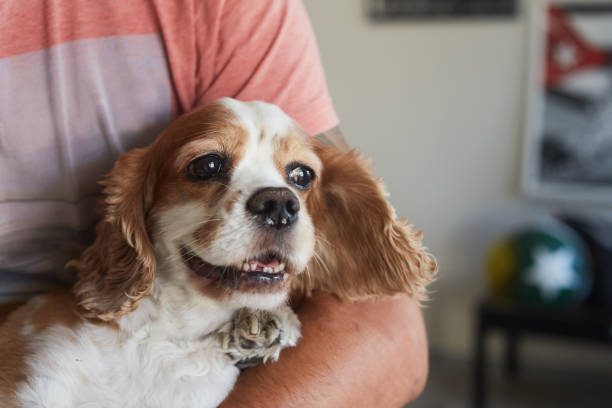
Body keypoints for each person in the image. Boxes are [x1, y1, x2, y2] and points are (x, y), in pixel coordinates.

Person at [0, 0, 428, 406]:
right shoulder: (58, 347)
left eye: (299, 177)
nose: (281, 203)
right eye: (207, 168)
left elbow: (391, 332)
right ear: (140, 207)